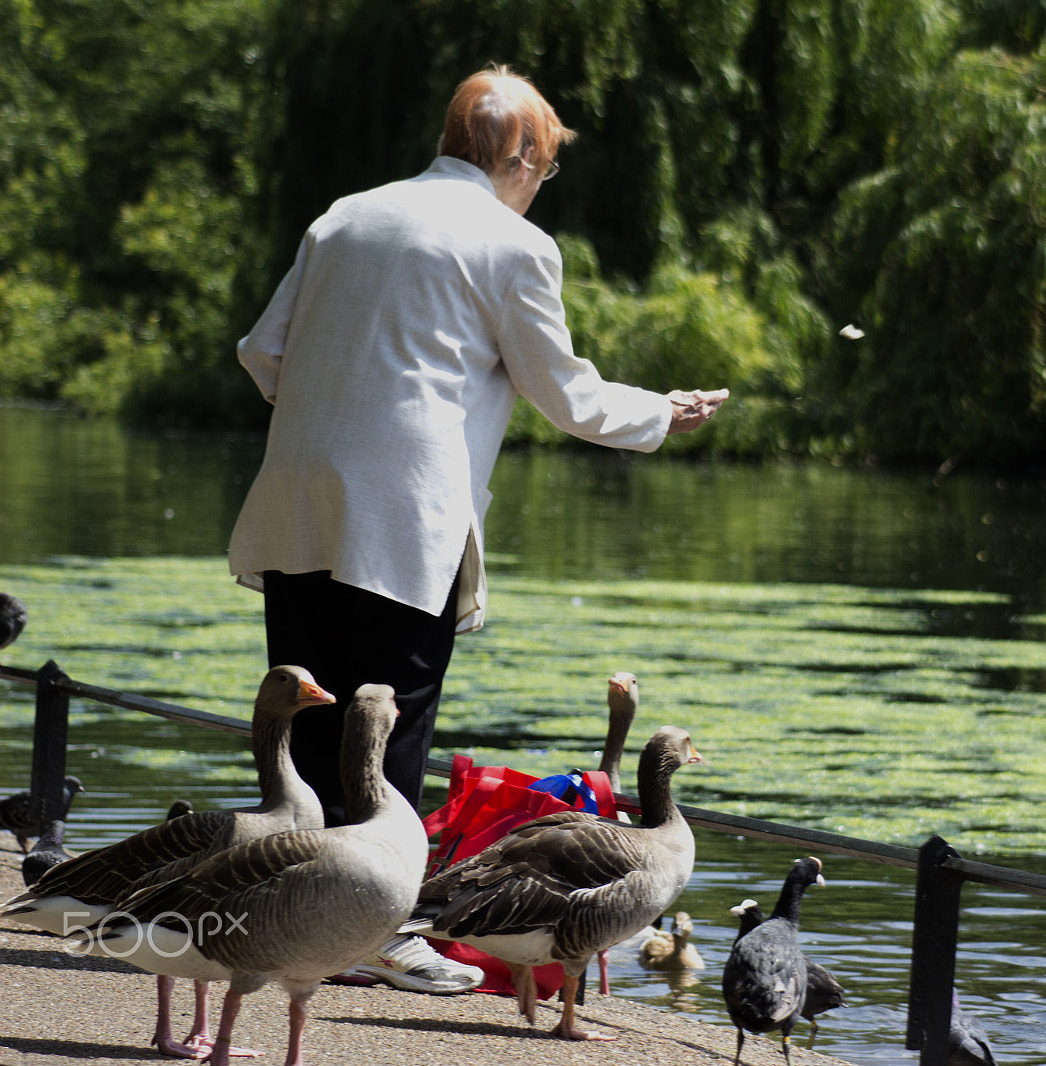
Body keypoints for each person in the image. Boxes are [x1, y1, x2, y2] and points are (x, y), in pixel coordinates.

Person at [226, 63, 727, 994]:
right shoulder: (513, 244)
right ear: (520, 154)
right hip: (400, 517)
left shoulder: (345, 214)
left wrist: (333, 409)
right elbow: (567, 394)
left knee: (307, 722)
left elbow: (263, 351)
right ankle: (376, 933)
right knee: (389, 725)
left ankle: (286, 919)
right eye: (545, 168)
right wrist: (664, 412)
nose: (541, 186)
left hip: (298, 496)